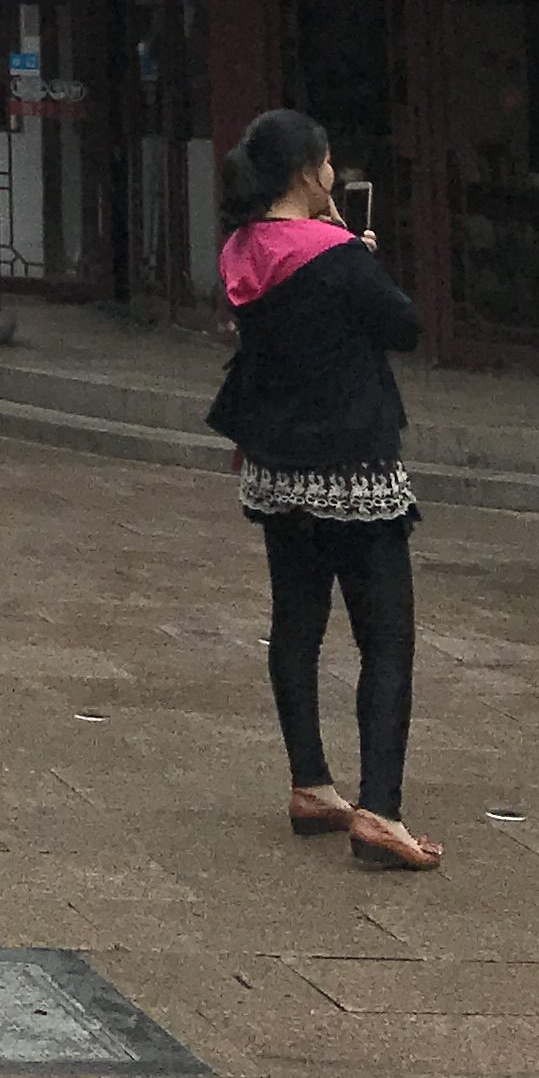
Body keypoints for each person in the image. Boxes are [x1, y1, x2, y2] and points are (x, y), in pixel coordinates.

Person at [206, 105, 437, 872]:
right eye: (327, 162)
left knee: (297, 625)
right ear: (310, 171)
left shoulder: (241, 250)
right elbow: (402, 326)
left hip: (276, 465)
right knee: (387, 637)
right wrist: (356, 253)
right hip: (352, 464)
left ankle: (311, 782)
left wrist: (346, 247)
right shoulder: (337, 257)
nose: (333, 175)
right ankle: (381, 808)